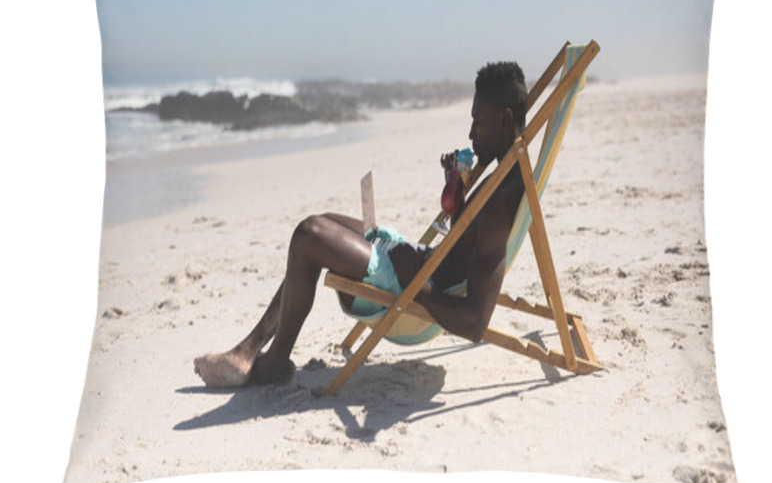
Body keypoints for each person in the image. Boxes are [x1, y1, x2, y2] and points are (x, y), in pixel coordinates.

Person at [193, 61, 527, 388]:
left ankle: (272, 361)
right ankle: (251, 348)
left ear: (505, 118)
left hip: (409, 281)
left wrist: (418, 284)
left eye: (478, 122)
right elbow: (465, 242)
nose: (471, 134)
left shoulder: (499, 202)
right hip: (417, 263)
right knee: (324, 222)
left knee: (308, 234)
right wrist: (455, 187)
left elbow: (475, 323)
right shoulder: (506, 177)